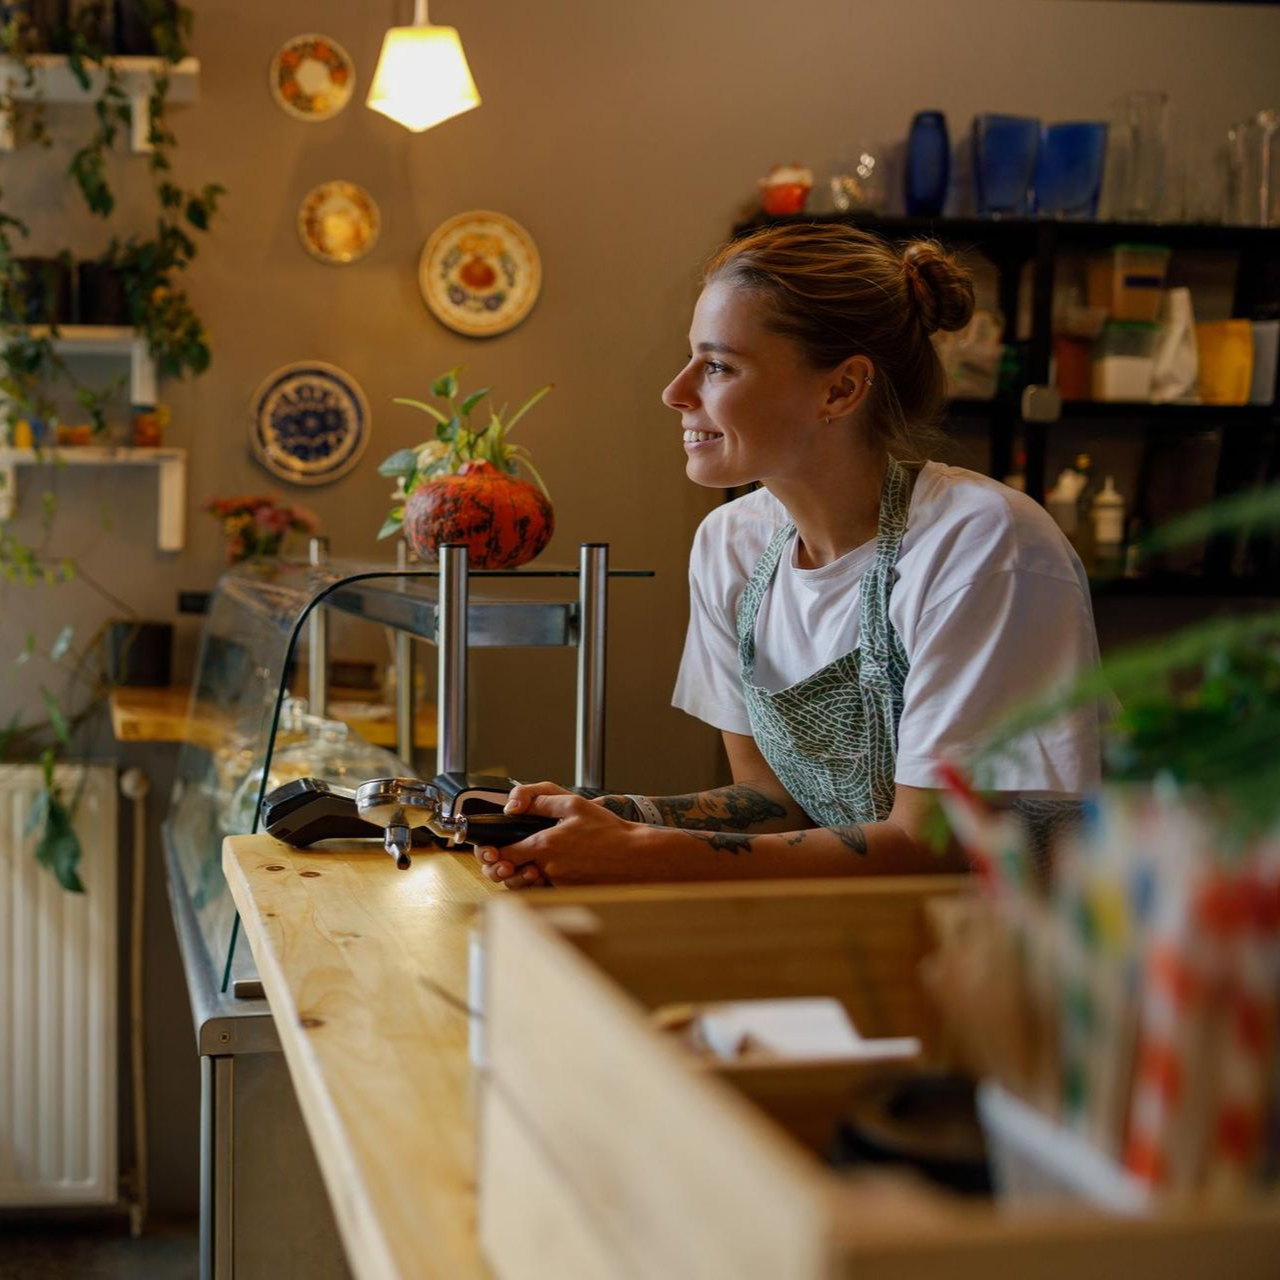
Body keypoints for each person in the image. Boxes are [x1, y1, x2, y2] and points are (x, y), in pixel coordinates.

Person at [475, 222, 1101, 890]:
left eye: (717, 366)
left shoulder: (981, 544)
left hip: (1024, 960)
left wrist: (639, 850)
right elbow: (774, 807)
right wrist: (604, 819)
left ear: (841, 390)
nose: (675, 391)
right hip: (852, 936)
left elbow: (936, 845)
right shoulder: (733, 545)